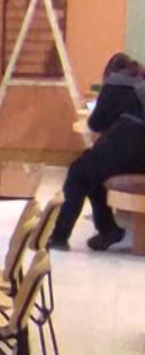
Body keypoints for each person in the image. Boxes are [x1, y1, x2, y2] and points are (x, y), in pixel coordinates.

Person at [49, 52, 145, 250]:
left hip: (129, 146)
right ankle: (107, 229)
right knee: (92, 171)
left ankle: (59, 236)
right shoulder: (140, 83)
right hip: (138, 155)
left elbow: (96, 123)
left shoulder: (115, 84)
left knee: (78, 172)